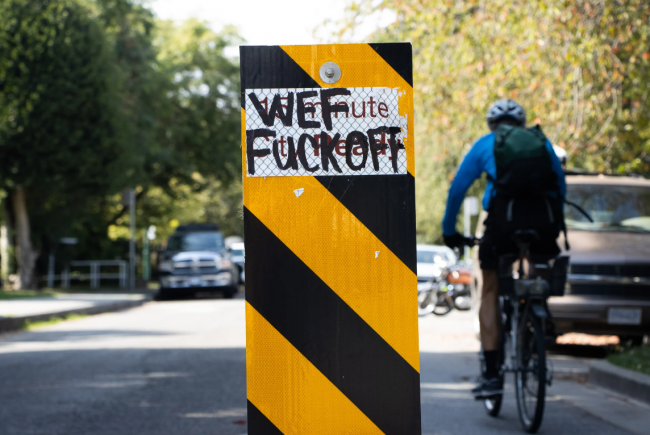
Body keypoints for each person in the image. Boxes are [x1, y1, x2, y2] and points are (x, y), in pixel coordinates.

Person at [441, 99, 566, 398]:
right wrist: (555, 225)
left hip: (502, 224)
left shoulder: (485, 144)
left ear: (492, 124)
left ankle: (493, 375)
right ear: (521, 125)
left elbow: (458, 188)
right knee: (536, 269)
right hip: (543, 222)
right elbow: (560, 185)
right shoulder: (541, 142)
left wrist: (449, 231)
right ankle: (538, 312)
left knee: (490, 290)